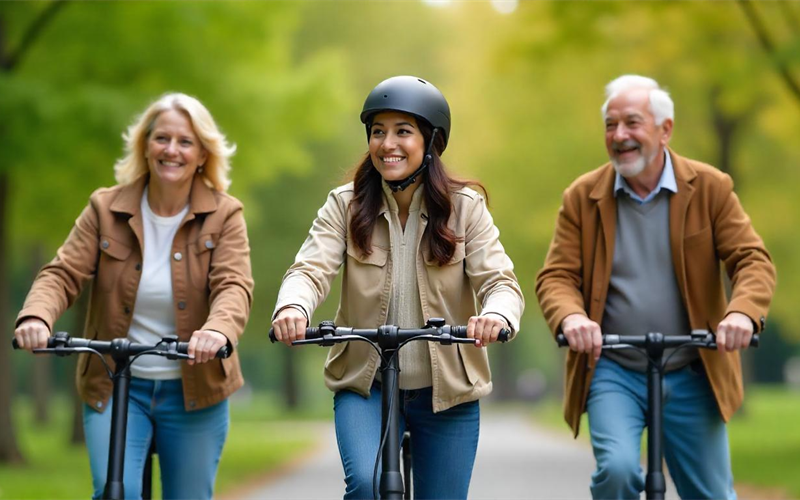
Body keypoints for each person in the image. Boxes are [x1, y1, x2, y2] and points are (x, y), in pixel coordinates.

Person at [271, 75, 524, 499]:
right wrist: (292, 308)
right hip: (365, 386)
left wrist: (496, 315)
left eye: (403, 132)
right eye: (378, 132)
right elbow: (309, 269)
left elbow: (500, 281)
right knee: (367, 487)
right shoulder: (345, 204)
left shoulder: (465, 208)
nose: (388, 144)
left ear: (431, 142)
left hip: (449, 395)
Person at [535, 74, 776, 499]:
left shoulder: (711, 188)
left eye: (632, 122)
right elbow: (557, 277)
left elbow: (752, 260)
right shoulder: (582, 196)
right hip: (612, 366)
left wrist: (741, 313)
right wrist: (572, 317)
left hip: (692, 366)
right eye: (611, 125)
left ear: (665, 130)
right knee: (619, 471)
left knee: (712, 494)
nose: (619, 135)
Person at [14, 93, 254, 500]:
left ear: (201, 154)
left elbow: (234, 286)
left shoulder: (224, 214)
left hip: (195, 390)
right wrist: (36, 317)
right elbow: (63, 273)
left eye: (185, 142)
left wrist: (216, 331)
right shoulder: (104, 208)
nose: (171, 150)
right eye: (161, 138)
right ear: (145, 145)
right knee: (115, 493)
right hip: (114, 382)